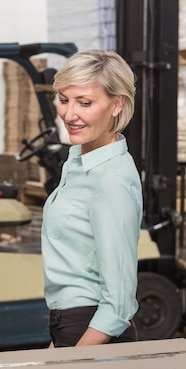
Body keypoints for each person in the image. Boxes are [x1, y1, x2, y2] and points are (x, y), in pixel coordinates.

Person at [42, 49, 142, 347]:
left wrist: (68, 362)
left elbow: (119, 303)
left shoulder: (111, 181)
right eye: (64, 100)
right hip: (69, 326)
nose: (69, 114)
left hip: (94, 335)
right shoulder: (77, 163)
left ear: (116, 104)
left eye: (84, 102)